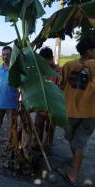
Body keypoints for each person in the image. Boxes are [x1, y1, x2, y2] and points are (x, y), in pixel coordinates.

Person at [61, 35, 95, 186]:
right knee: (77, 142)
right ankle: (75, 166)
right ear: (89, 51)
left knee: (74, 141)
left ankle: (74, 171)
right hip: (87, 113)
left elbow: (60, 86)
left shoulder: (68, 65)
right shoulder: (88, 65)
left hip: (72, 111)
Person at [0, 46, 19, 148]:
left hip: (12, 103)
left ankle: (10, 142)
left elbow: (21, 87)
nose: (5, 56)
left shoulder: (16, 69)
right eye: (3, 54)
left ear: (12, 55)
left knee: (12, 125)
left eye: (7, 54)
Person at [34, 47, 62, 154]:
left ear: (51, 59)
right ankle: (36, 144)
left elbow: (61, 89)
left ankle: (47, 146)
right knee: (37, 126)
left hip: (53, 108)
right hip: (41, 106)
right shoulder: (42, 71)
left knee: (50, 129)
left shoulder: (60, 72)